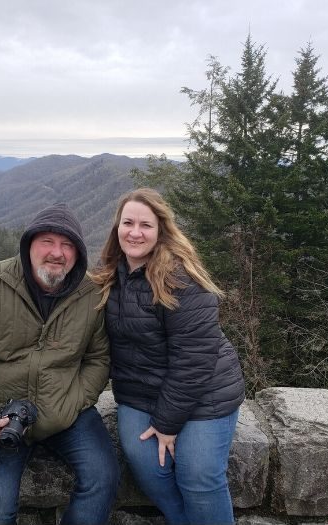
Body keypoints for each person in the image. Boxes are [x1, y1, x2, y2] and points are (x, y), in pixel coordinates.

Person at [0, 202, 119, 525]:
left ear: (78, 253)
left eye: (67, 245)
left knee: (103, 477)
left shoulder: (91, 294)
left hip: (68, 416)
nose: (57, 253)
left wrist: (73, 403)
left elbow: (98, 358)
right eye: (47, 241)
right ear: (28, 245)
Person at [91, 188, 245, 525]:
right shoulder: (107, 274)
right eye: (128, 223)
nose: (135, 232)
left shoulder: (180, 277)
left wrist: (166, 424)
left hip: (204, 393)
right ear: (117, 227)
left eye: (145, 225)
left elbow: (195, 359)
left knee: (198, 476)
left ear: (161, 230)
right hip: (140, 393)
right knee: (149, 468)